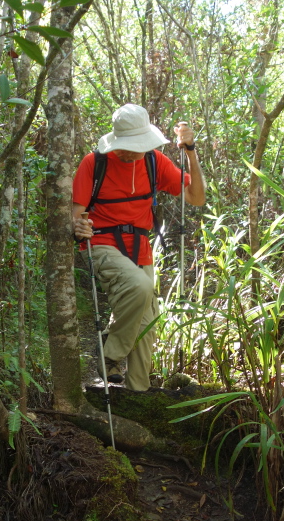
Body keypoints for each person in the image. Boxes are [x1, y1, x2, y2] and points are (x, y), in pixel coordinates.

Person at [72, 104, 206, 391]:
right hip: (101, 243)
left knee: (147, 324)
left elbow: (195, 197)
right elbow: (77, 214)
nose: (131, 152)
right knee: (140, 289)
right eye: (126, 145)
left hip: (140, 248)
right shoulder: (93, 163)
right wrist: (78, 225)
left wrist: (191, 152)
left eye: (137, 145)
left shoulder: (154, 162)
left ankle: (137, 394)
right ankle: (109, 353)